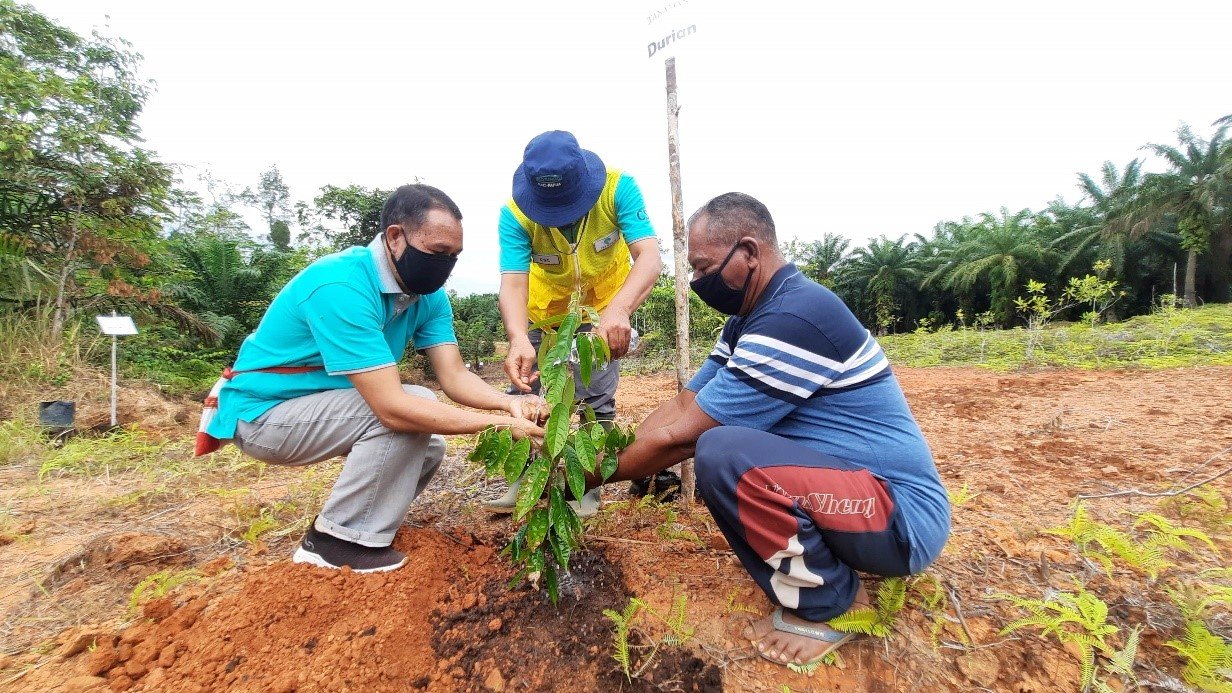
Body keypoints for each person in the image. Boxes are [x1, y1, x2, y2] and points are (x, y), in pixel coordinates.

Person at [598, 193, 951, 668]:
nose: (698, 282)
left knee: (721, 451)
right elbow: (683, 405)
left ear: (748, 252)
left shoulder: (794, 318)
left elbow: (684, 437)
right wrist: (609, 450)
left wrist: (586, 476)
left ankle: (832, 606)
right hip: (856, 497)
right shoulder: (746, 322)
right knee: (719, 444)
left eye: (703, 268)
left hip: (901, 519)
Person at [195, 184, 545, 573]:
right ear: (395, 237)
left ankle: (369, 526)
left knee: (429, 447)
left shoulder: (427, 295)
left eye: (454, 256)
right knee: (413, 408)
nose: (445, 265)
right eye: (438, 252)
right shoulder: (340, 284)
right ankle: (335, 542)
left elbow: (455, 375)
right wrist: (500, 425)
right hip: (264, 416)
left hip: (319, 410)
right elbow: (392, 408)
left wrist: (510, 403)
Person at [485, 130, 663, 514]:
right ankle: (525, 482)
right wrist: (518, 336)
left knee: (595, 396)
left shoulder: (618, 189)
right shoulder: (515, 214)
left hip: (604, 311)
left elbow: (649, 257)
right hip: (543, 314)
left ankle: (586, 485)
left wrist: (619, 310)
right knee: (527, 392)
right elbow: (513, 282)